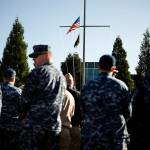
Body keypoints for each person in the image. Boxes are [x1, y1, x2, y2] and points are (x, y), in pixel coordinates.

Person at [80, 54, 132, 150]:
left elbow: (83, 111)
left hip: (92, 138)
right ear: (113, 68)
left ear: (99, 67)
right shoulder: (121, 86)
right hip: (115, 138)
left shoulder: (87, 86)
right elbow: (128, 113)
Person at [19, 45, 66, 150]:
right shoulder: (62, 76)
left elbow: (24, 100)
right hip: (54, 126)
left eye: (36, 56)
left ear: (46, 56)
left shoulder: (37, 72)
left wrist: (22, 117)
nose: (33, 60)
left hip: (35, 126)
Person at [0, 68, 22, 150]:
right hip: (14, 128)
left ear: (3, 78)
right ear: (13, 78)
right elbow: (24, 109)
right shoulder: (18, 91)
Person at [65, 73, 81, 150]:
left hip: (63, 128)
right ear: (73, 82)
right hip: (75, 127)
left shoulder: (60, 93)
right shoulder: (78, 94)